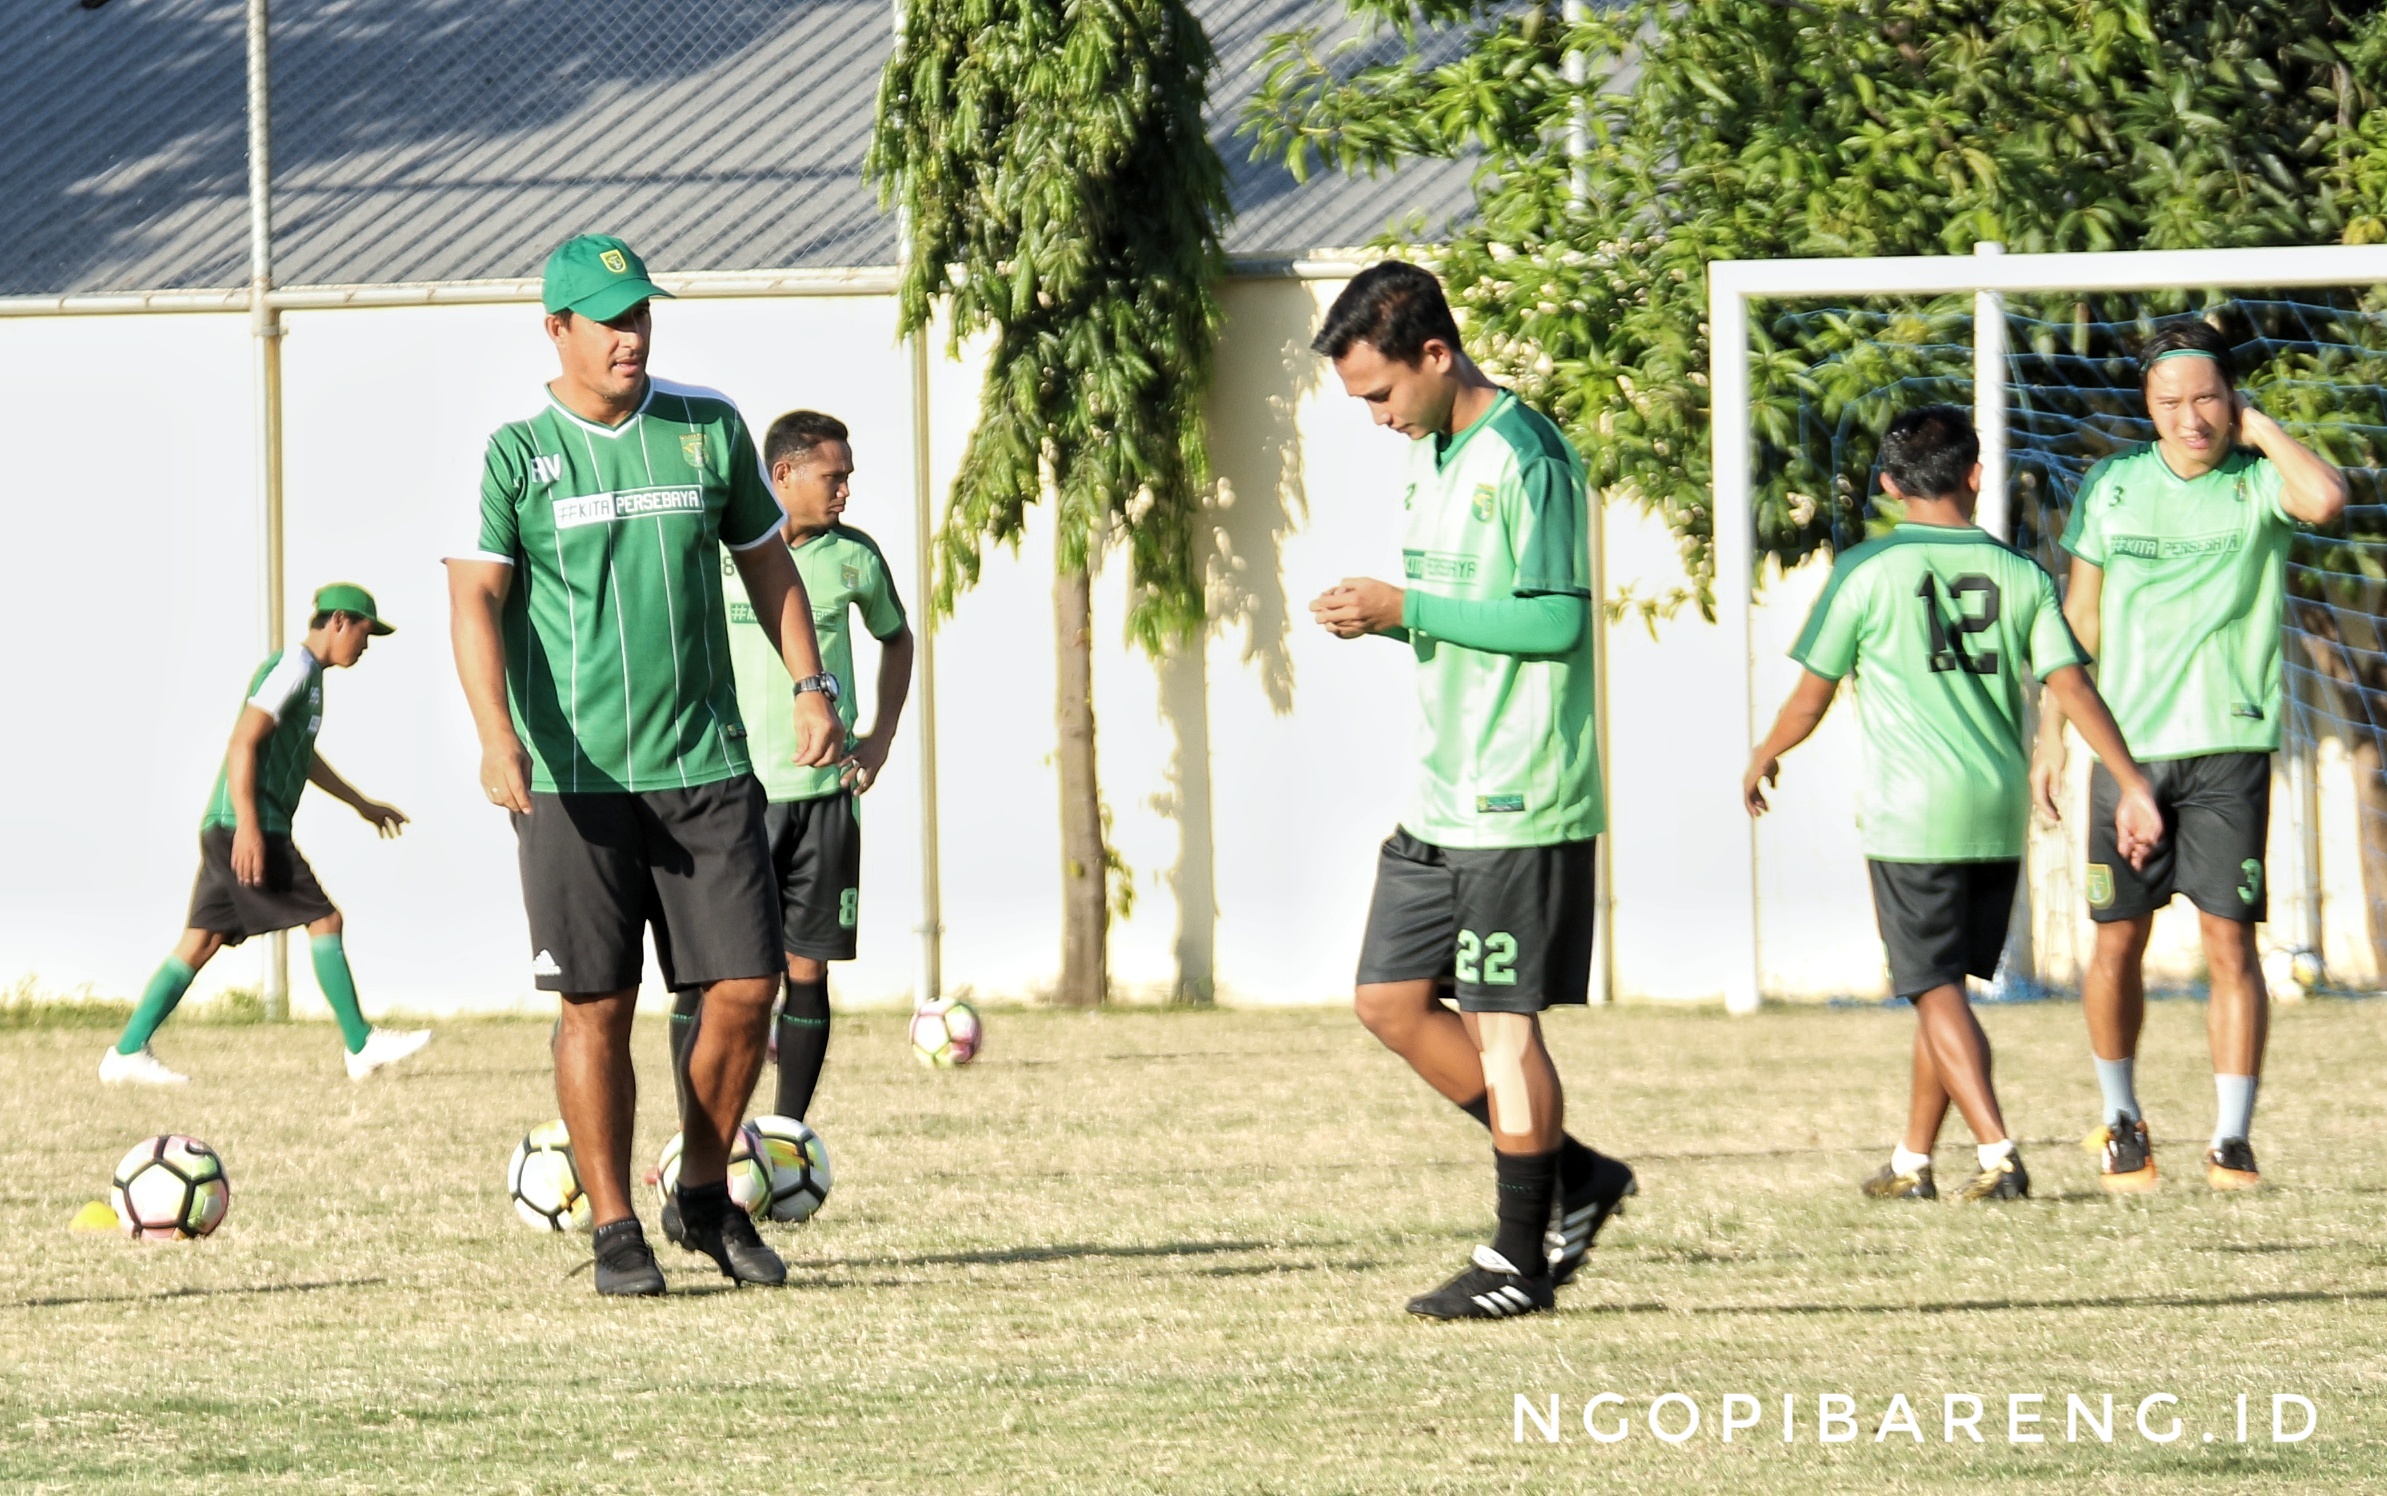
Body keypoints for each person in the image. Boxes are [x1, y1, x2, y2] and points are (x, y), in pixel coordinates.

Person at [445, 233, 842, 1296]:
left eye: (642, 316)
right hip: (574, 780)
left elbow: (768, 568)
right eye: (610, 319)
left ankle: (702, 1192)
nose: (632, 336)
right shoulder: (513, 452)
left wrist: (813, 687)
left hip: (705, 763)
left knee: (748, 987)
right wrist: (496, 734)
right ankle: (615, 1225)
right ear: (557, 329)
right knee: (598, 1003)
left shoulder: (705, 426)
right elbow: (474, 601)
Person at [1309, 261, 1634, 1321]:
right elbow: (1456, 609)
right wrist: (1391, 615)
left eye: (1380, 393)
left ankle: (1516, 1260)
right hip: (1442, 791)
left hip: (1520, 794)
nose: (1375, 416)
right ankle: (1574, 1175)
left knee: (1502, 1023)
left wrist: (1404, 606)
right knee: (1389, 1001)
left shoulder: (1526, 458)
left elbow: (1554, 623)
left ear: (1435, 355)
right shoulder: (1431, 454)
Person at [1745, 408, 2163, 1202]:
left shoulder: (1863, 572)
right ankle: (1911, 1161)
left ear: (1891, 485)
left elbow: (1811, 694)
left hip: (1913, 816)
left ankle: (1998, 1150)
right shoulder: (2020, 575)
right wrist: (2129, 777)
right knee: (1943, 993)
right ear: (1976, 476)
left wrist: (1766, 753)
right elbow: (2069, 686)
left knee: (1933, 990)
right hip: (1994, 810)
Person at [2031, 320, 2348, 1193]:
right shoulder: (2113, 485)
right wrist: (2051, 737)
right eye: (2169, 402)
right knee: (2115, 942)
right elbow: (2078, 623)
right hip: (2125, 752)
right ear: (2147, 407)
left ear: (2231, 398)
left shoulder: (2258, 483)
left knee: (2228, 944)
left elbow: (2325, 499)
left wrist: (2264, 429)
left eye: (2207, 397)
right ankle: (2121, 1120)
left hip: (2227, 746)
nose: (2190, 418)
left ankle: (2231, 1138)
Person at [664, 411, 913, 1160]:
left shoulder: (854, 557)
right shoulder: (719, 551)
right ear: (783, 476)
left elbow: (896, 638)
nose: (844, 490)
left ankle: (783, 1138)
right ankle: (695, 1138)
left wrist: (880, 737)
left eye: (846, 477)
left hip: (824, 799)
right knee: (711, 974)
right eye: (832, 476)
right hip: (732, 794)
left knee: (806, 968)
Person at [104, 585, 428, 1086]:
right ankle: (360, 1044)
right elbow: (242, 742)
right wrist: (250, 828)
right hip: (248, 825)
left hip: (232, 824)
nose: (366, 645)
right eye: (366, 632)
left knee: (201, 942)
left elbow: (303, 756)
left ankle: (126, 1053)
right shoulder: (293, 667)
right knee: (326, 920)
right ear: (339, 621)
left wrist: (361, 803)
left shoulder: (312, 679)